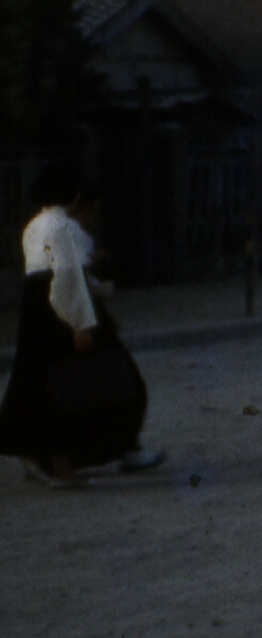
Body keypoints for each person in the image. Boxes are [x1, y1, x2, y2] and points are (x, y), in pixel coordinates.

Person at [4, 163, 162, 486]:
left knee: (45, 385)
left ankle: (47, 458)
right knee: (106, 381)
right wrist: (80, 324)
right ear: (74, 196)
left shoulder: (35, 225)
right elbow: (66, 277)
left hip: (36, 310)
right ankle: (109, 452)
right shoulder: (63, 227)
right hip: (61, 309)